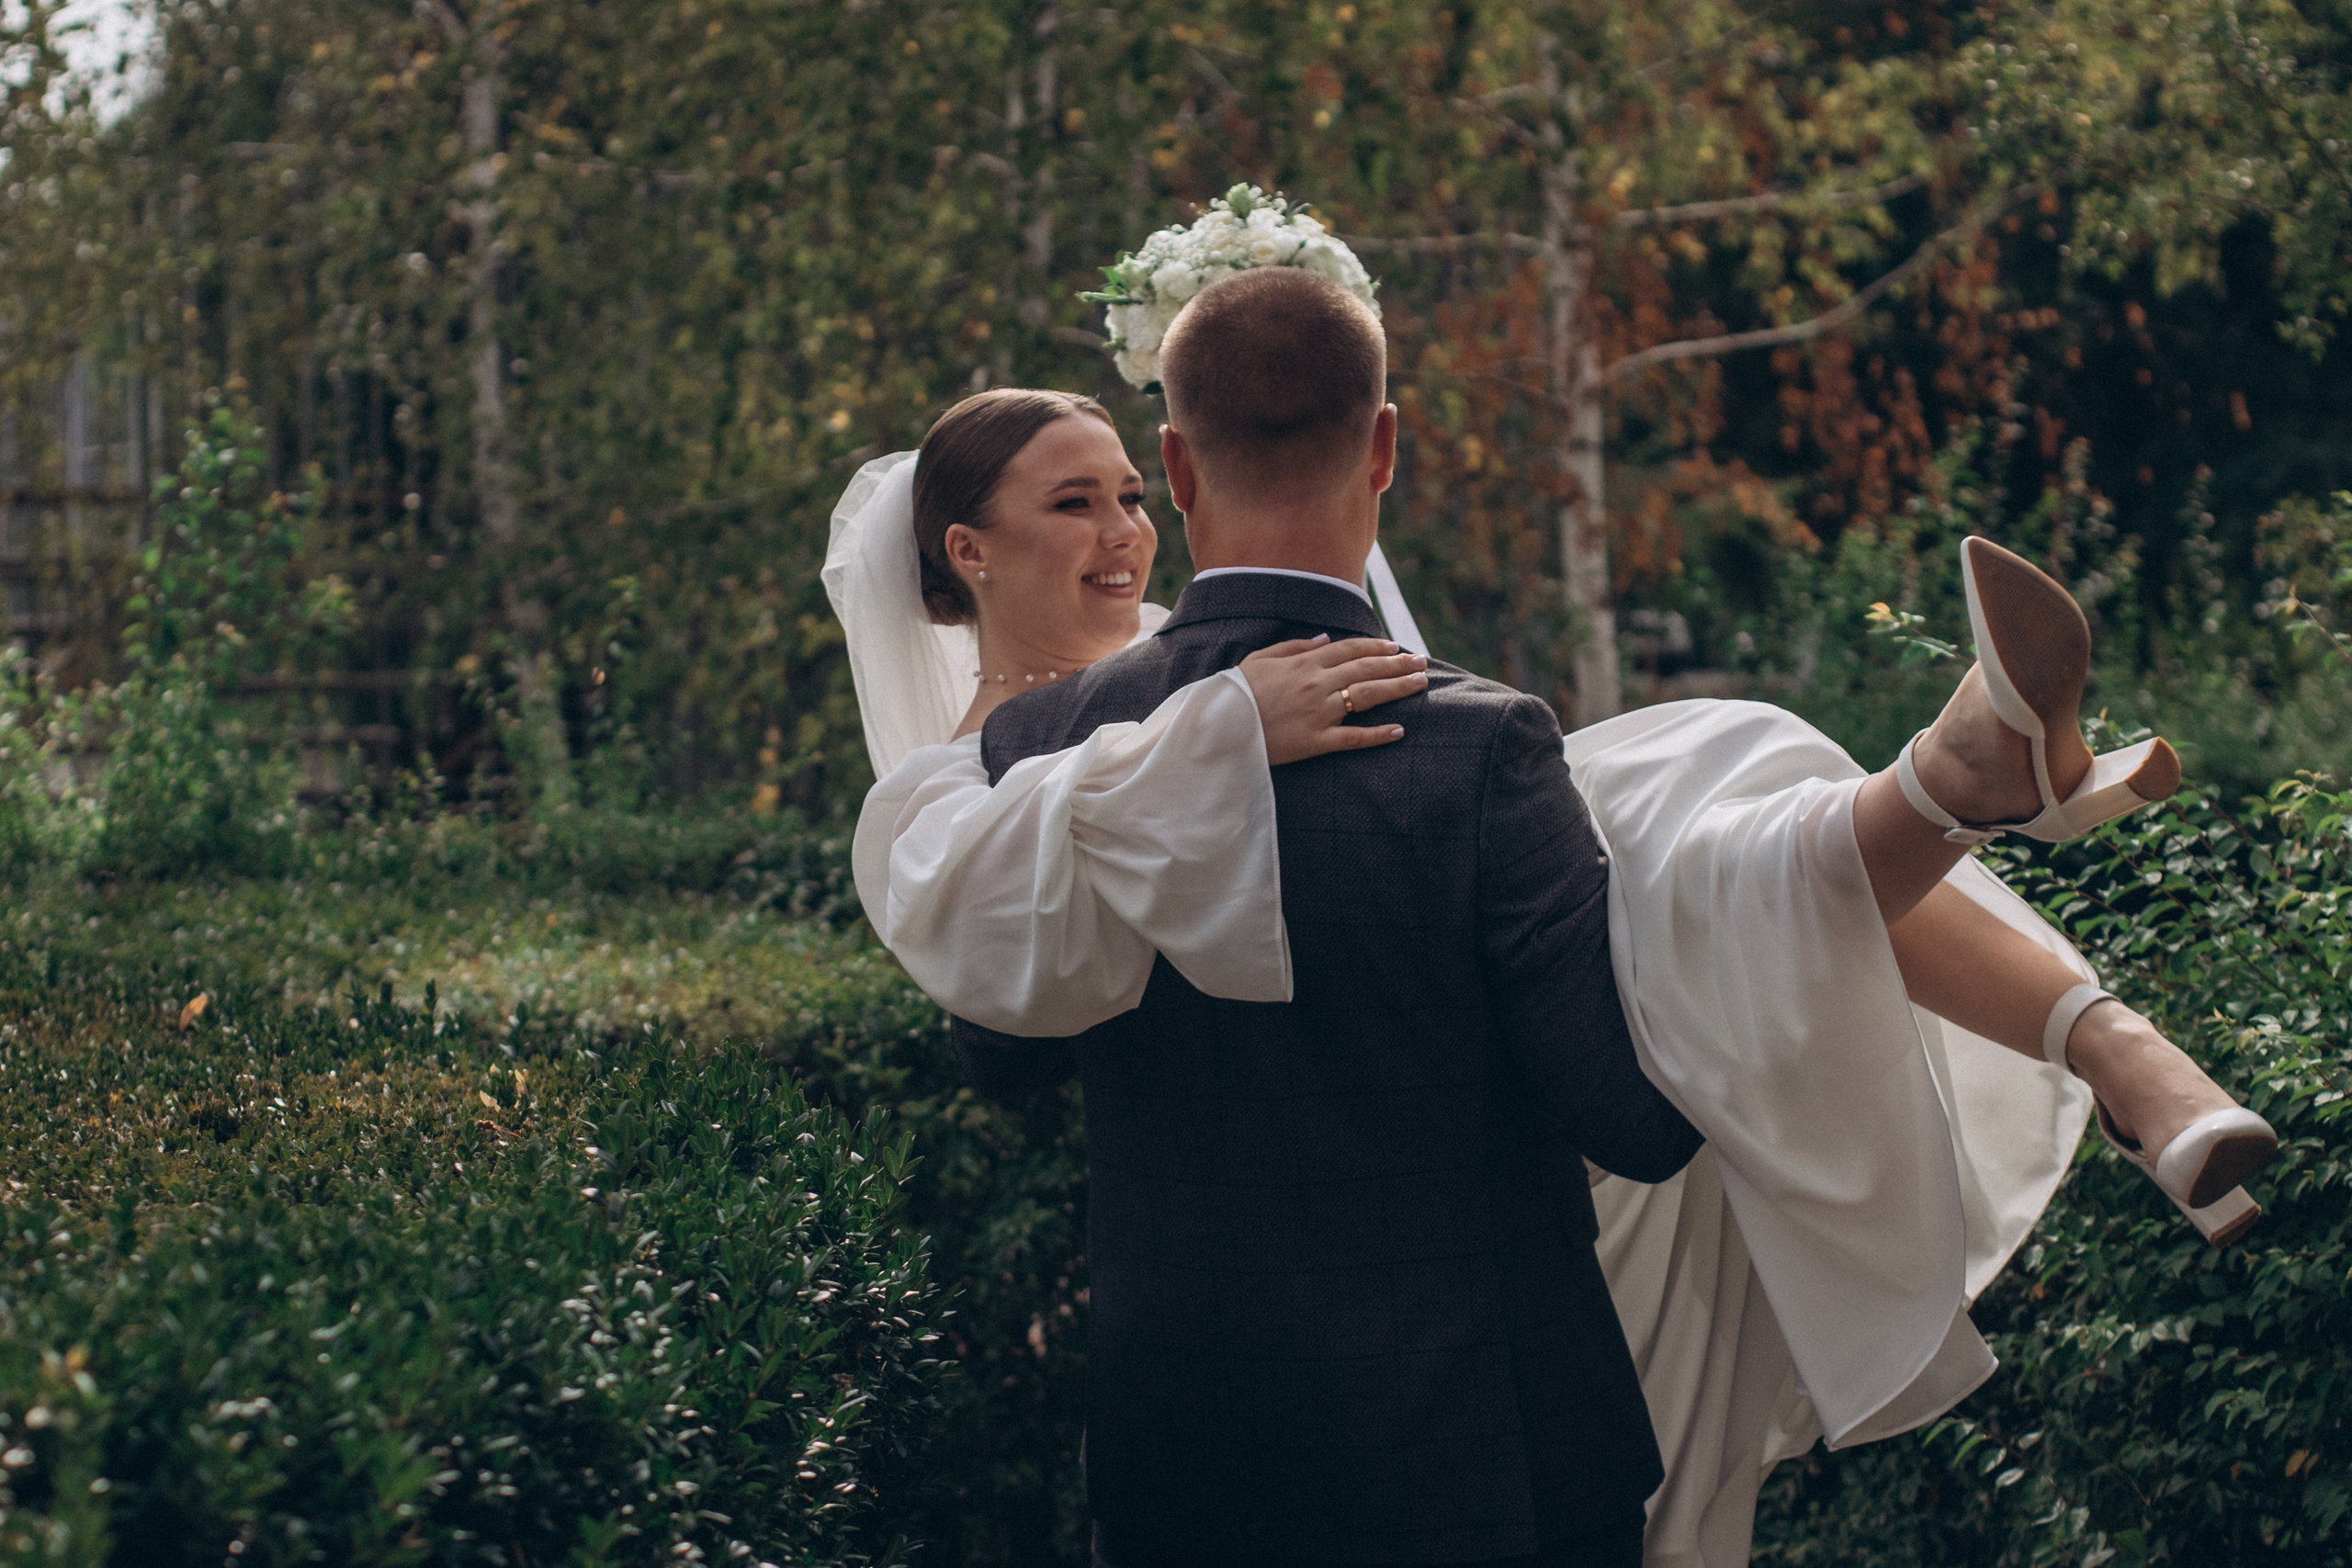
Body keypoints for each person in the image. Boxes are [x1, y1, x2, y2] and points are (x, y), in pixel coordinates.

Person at [828, 271, 2278, 1566]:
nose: (1118, 533)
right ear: (1384, 447)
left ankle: (1959, 854)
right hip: (1489, 1453)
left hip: (1193, 1451)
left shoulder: (1030, 766)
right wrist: (1723, 983)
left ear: (1178, 466)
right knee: (1711, 804)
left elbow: (1002, 1047)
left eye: (1126, 497)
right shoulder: (1475, 747)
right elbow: (1632, 1122)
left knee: (1690, 805)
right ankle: (1965, 851)